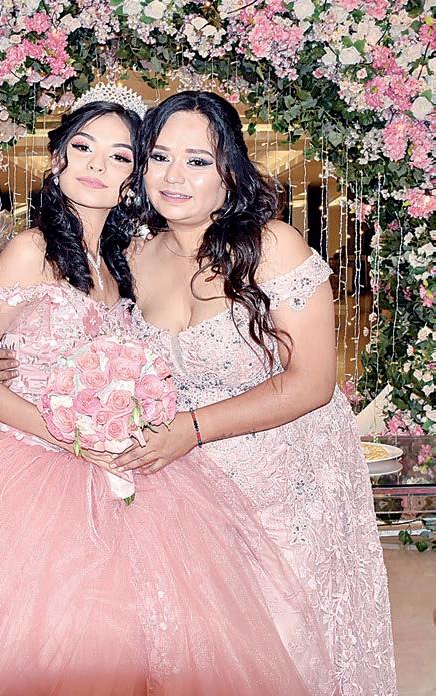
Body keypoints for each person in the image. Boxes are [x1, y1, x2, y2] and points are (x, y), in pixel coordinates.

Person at [0, 88, 335, 695]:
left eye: (119, 156)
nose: (95, 166)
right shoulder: (30, 248)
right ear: (56, 159)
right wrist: (61, 426)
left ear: (131, 180)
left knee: (139, 629)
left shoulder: (121, 261)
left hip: (121, 465)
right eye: (83, 148)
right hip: (31, 463)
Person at [111, 91, 395, 695]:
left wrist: (192, 428)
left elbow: (312, 380)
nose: (173, 177)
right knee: (201, 649)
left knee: (284, 646)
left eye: (197, 161)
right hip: (187, 484)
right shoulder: (133, 257)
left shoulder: (273, 247)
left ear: (229, 171)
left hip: (289, 481)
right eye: (159, 157)